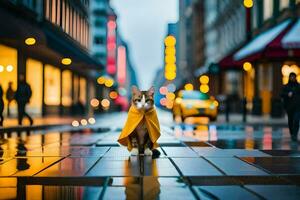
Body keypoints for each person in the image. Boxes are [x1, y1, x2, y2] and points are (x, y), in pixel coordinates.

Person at [281, 72, 300, 141]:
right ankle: (292, 133)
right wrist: (287, 94)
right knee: (290, 121)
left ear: (295, 77)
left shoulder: (298, 86)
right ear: (289, 77)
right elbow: (281, 94)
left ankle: (295, 134)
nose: (292, 78)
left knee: (296, 120)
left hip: (298, 107)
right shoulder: (286, 86)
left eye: (293, 77)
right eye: (291, 77)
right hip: (289, 107)